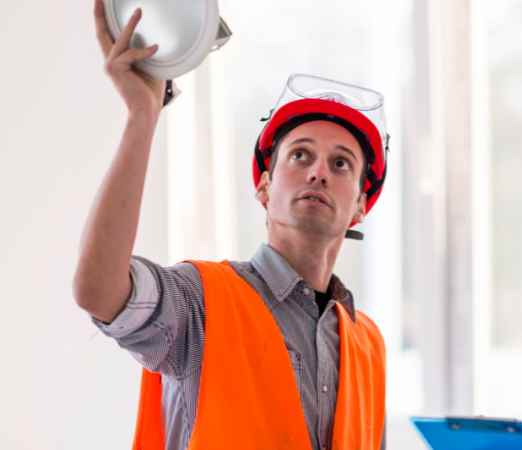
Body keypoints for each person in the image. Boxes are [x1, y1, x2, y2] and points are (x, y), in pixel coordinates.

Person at [73, 2, 388, 449]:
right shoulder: (201, 302)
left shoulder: (368, 345)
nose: (318, 172)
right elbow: (99, 292)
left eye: (341, 163)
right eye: (300, 155)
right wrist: (142, 116)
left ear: (359, 206)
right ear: (263, 187)